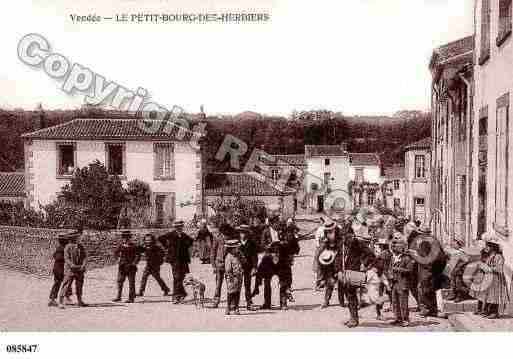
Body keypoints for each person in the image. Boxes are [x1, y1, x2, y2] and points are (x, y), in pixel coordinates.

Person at [334, 220, 376, 328]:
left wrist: (364, 264)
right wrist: (338, 270)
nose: (346, 240)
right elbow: (338, 258)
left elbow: (371, 255)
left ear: (352, 235)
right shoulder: (342, 245)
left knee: (351, 296)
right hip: (344, 274)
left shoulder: (359, 244)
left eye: (347, 237)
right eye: (343, 237)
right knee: (348, 296)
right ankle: (352, 317)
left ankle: (354, 319)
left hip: (354, 274)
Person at [160, 220, 194, 304]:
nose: (179, 228)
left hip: (183, 260)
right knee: (177, 277)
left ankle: (182, 293)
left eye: (180, 227)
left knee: (181, 277)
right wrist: (167, 246)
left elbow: (191, 241)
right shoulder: (171, 234)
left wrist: (186, 246)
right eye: (177, 227)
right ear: (175, 227)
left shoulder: (184, 235)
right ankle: (175, 296)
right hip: (174, 259)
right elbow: (160, 238)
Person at [478, 233, 510, 319]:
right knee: (489, 296)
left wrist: (488, 268)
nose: (486, 248)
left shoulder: (499, 256)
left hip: (497, 280)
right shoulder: (489, 256)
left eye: (488, 246)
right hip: (489, 279)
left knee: (495, 296)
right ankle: (487, 311)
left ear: (493, 247)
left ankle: (494, 312)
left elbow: (499, 269)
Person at [318, 222, 345, 308]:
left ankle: (341, 301)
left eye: (331, 231)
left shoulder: (340, 239)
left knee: (341, 283)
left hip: (339, 262)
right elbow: (321, 254)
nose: (329, 233)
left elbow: (342, 250)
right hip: (329, 263)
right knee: (329, 282)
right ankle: (326, 300)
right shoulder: (325, 239)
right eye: (328, 231)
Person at [59, 230, 88, 309]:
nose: (79, 239)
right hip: (70, 270)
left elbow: (85, 256)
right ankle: (61, 301)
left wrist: (83, 265)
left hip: (79, 270)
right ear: (72, 238)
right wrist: (72, 265)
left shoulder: (81, 246)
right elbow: (67, 258)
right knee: (66, 285)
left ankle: (80, 300)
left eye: (78, 237)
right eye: (77, 237)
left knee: (79, 285)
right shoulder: (67, 247)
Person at [389, 240, 415, 327]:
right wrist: (390, 276)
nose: (393, 248)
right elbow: (390, 268)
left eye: (395, 247)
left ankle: (405, 319)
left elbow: (410, 270)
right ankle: (398, 318)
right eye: (393, 247)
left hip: (403, 283)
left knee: (403, 302)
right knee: (395, 302)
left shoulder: (406, 258)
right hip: (394, 283)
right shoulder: (393, 257)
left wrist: (398, 269)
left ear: (400, 248)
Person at [113, 230, 142, 303]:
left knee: (131, 282)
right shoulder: (120, 245)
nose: (125, 239)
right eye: (124, 237)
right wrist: (117, 259)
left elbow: (138, 255)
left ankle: (131, 298)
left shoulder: (134, 246)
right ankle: (118, 296)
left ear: (130, 238)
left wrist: (134, 263)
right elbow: (115, 253)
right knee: (120, 281)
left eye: (127, 237)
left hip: (131, 266)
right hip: (122, 266)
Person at [237, 224, 258, 311]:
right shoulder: (236, 243)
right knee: (237, 286)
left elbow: (254, 256)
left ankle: (249, 303)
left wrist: (254, 267)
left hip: (248, 268)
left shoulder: (251, 243)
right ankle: (235, 304)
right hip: (237, 268)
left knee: (247, 285)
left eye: (245, 233)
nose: (243, 234)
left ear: (248, 233)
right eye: (241, 233)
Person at [210, 222, 232, 308]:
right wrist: (213, 265)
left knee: (229, 284)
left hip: (228, 264)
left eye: (226, 231)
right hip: (219, 263)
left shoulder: (231, 238)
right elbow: (213, 251)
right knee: (218, 284)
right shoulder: (217, 238)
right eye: (223, 231)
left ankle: (230, 302)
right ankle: (216, 301)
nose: (225, 233)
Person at [48, 233, 73, 307]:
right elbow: (59, 257)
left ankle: (53, 299)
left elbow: (54, 256)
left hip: (57, 268)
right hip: (61, 269)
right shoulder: (64, 249)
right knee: (66, 283)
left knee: (58, 283)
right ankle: (66, 298)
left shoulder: (59, 248)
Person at [252, 243, 279, 309]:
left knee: (267, 285)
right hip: (266, 270)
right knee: (267, 285)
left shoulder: (268, 256)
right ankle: (267, 303)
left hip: (268, 271)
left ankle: (267, 303)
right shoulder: (267, 256)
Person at [374, 237, 393, 319]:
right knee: (390, 293)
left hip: (382, 276)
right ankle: (392, 306)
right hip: (388, 275)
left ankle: (379, 314)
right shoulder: (389, 253)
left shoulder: (382, 254)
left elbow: (379, 266)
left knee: (380, 295)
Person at [224, 238, 244, 315]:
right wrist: (231, 277)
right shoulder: (229, 257)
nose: (237, 249)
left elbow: (244, 262)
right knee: (231, 292)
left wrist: (241, 255)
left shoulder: (238, 255)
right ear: (231, 249)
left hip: (239, 276)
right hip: (232, 277)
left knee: (237, 293)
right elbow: (228, 269)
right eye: (236, 248)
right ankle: (228, 307)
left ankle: (236, 307)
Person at [313, 217, 325, 290]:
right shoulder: (320, 229)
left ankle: (322, 283)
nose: (319, 223)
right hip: (321, 248)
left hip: (322, 247)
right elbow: (317, 239)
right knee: (320, 266)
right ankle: (319, 283)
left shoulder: (323, 228)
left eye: (320, 222)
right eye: (319, 222)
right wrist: (319, 246)